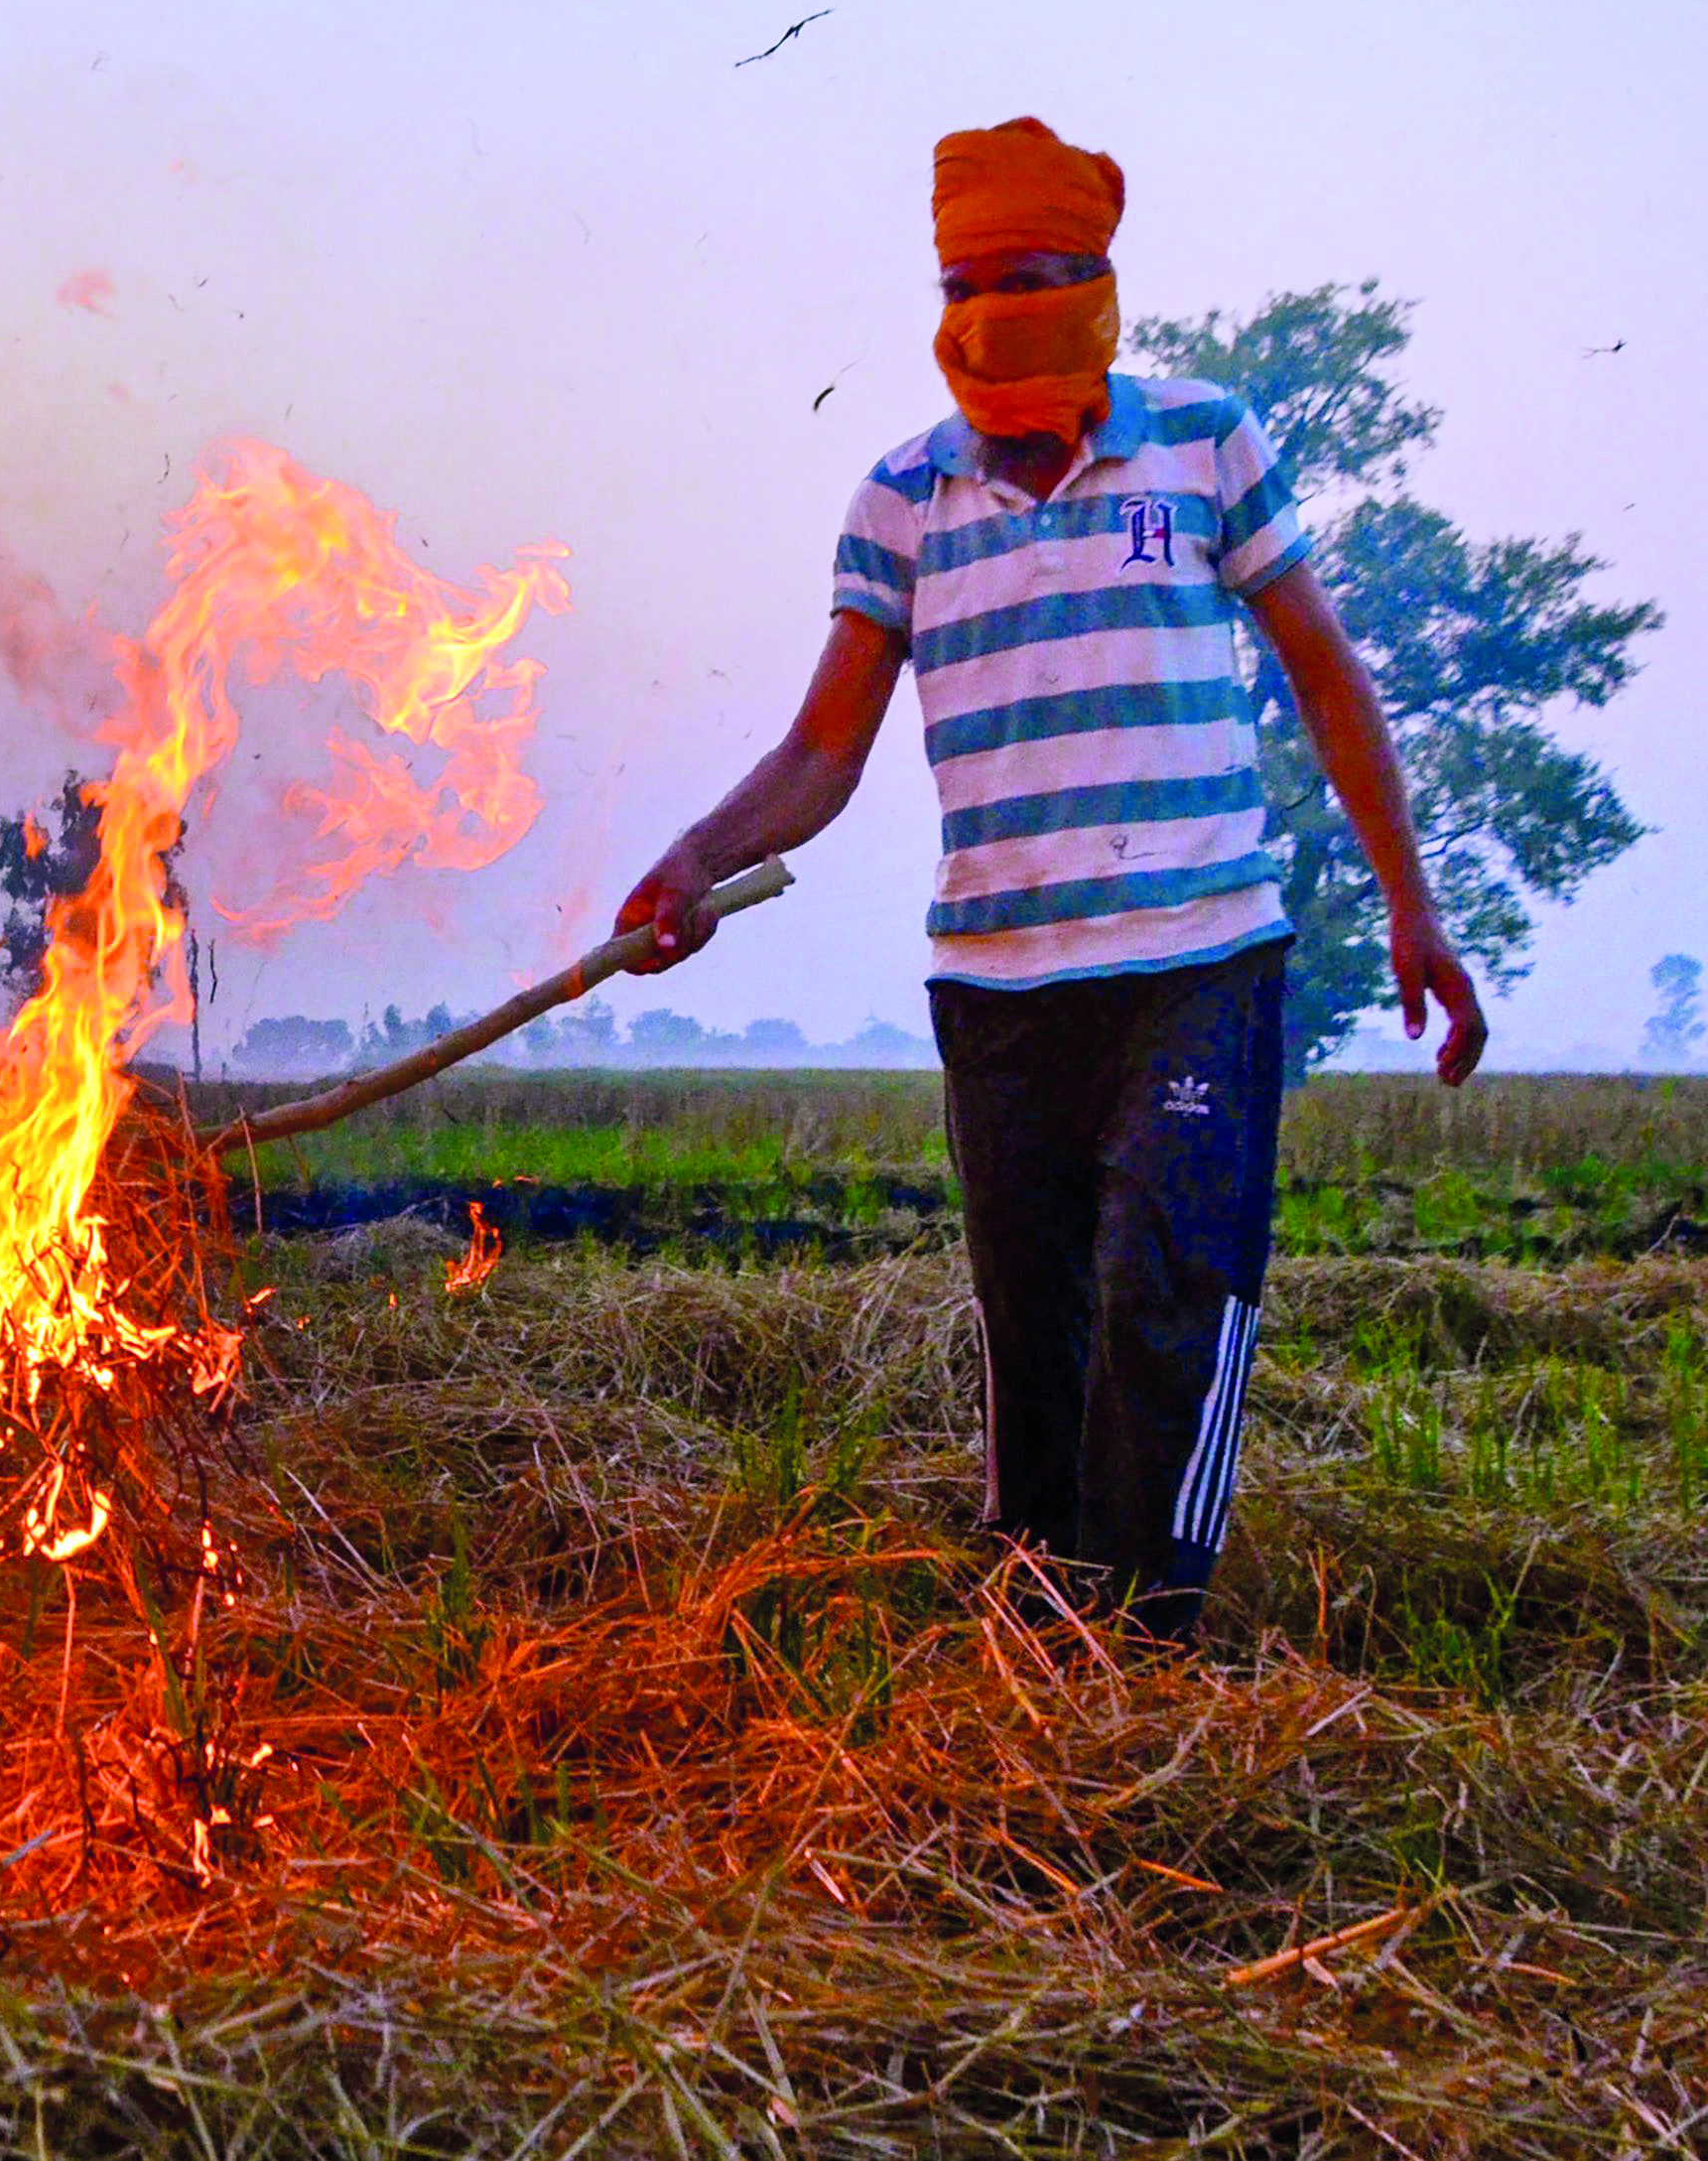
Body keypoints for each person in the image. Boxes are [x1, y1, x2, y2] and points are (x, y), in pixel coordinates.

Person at [617, 116, 1484, 1632]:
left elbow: (1329, 678)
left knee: (1166, 1294)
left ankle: (1151, 1643)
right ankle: (1043, 1628)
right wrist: (694, 860)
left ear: (1096, 296)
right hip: (1002, 988)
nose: (999, 342)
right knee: (1040, 1332)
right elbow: (825, 754)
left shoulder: (1204, 440)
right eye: (975, 292)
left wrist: (1412, 901)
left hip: (1198, 965)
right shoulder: (903, 500)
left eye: (1034, 287)